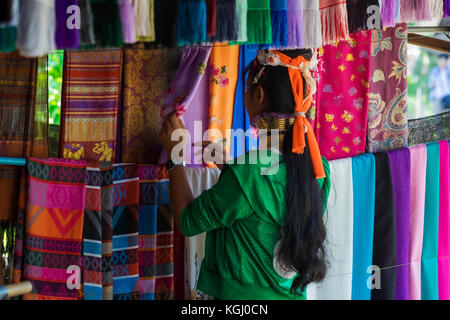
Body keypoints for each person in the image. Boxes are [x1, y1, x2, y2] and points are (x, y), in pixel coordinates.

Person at [159, 49, 331, 300]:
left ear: (258, 95)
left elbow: (187, 221)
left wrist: (176, 157)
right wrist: (231, 170)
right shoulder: (319, 168)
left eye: (246, 88)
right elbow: (267, 200)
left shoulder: (248, 172)